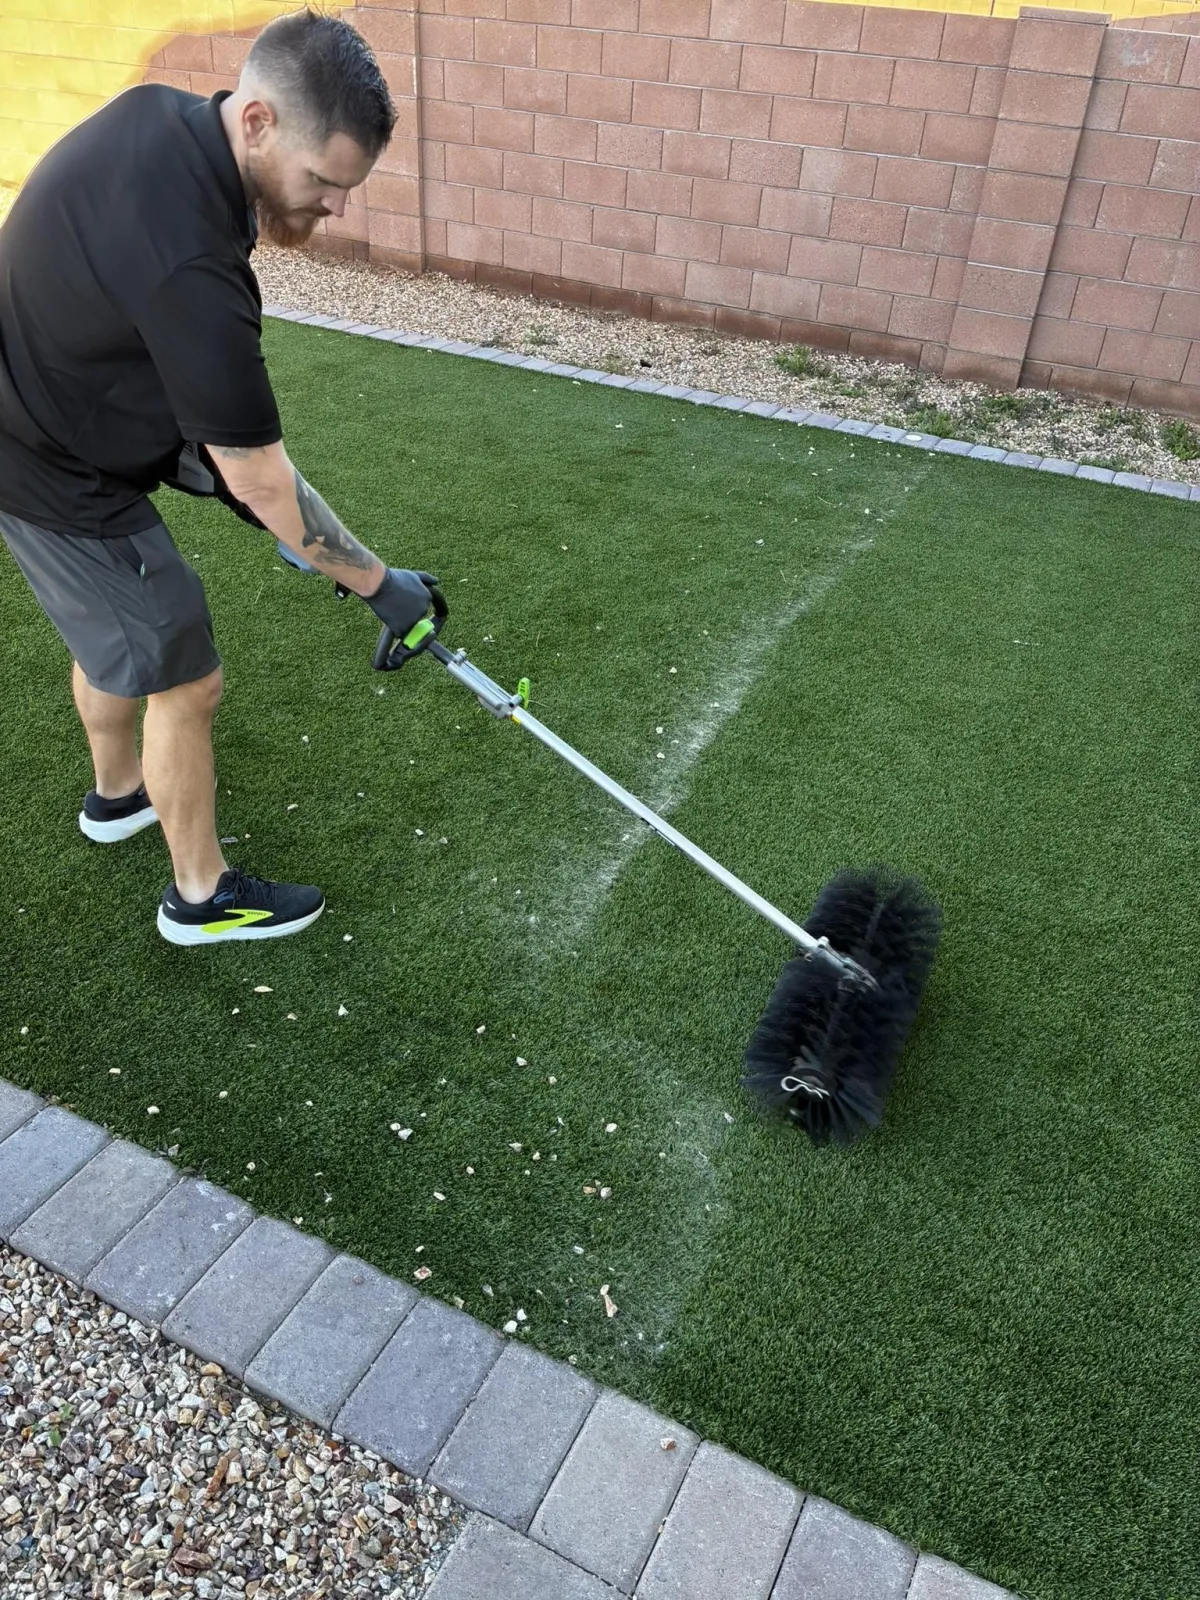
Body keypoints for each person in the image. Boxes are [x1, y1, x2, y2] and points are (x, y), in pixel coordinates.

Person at [0, 7, 435, 945]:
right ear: (258, 121)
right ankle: (200, 899)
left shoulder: (165, 119)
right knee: (183, 670)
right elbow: (258, 475)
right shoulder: (190, 261)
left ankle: (119, 796)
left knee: (113, 628)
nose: (337, 207)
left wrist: (285, 525)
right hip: (46, 460)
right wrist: (378, 583)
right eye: (325, 182)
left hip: (51, 403)